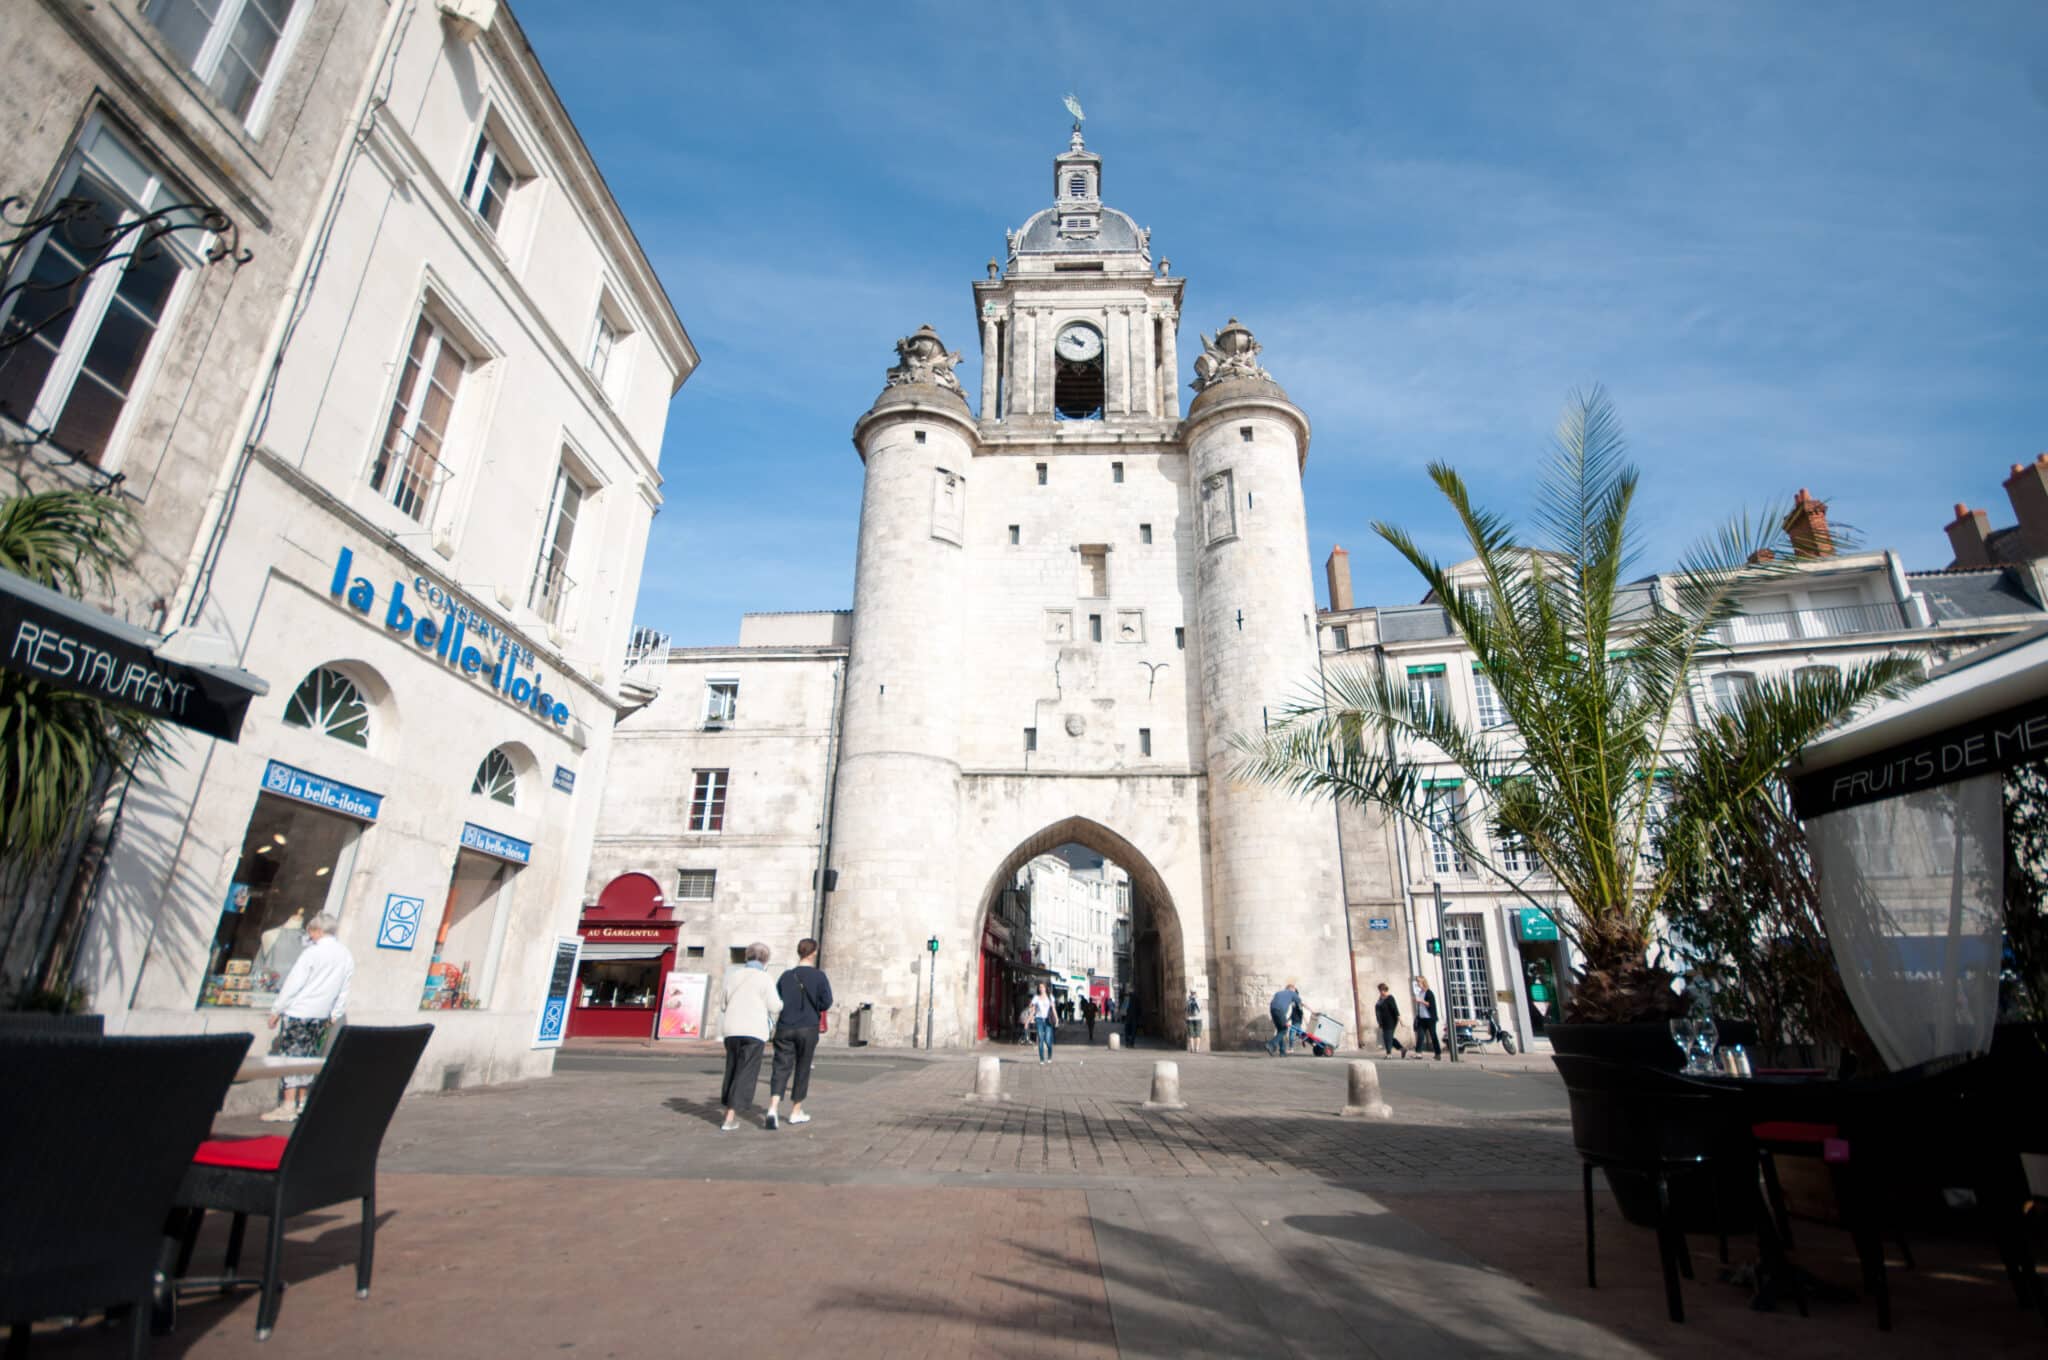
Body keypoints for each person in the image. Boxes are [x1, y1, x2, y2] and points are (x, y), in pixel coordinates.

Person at [262, 912, 353, 1122]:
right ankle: (303, 1102)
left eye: (312, 930)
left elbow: (293, 983)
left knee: (291, 1058)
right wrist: (335, 1014)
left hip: (300, 1012)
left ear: (319, 931)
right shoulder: (345, 955)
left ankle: (287, 1105)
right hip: (322, 1015)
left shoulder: (312, 953)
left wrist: (277, 1009)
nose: (310, 934)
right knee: (310, 1057)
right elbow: (344, 989)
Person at [766, 937, 831, 1130]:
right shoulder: (819, 977)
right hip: (807, 1026)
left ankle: (773, 1107)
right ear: (814, 953)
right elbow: (826, 1002)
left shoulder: (786, 976)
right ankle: (796, 1111)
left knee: (780, 1067)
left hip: (785, 1026)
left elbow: (778, 999)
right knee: (803, 1068)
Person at [719, 942, 782, 1131]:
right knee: (746, 1072)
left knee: (732, 1068)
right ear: (765, 960)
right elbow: (774, 1006)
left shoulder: (733, 976)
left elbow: (723, 1004)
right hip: (754, 1030)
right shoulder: (764, 978)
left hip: (731, 1030)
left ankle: (728, 1109)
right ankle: (729, 1117)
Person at [1375, 982, 1410, 1058]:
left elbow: (1395, 1009)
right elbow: (1378, 1010)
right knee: (1389, 1037)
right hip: (1383, 1021)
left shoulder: (1390, 998)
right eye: (1380, 990)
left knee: (1387, 1036)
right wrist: (1379, 1022)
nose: (1381, 992)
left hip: (1391, 1020)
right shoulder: (1380, 999)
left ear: (1386, 990)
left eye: (1383, 990)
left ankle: (1389, 1054)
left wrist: (1400, 1020)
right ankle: (1402, 1049)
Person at [1412, 975, 1443, 1059]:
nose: (1417, 984)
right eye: (1417, 982)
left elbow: (1430, 1004)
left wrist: (1421, 1001)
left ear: (1423, 982)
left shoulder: (1429, 992)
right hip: (1422, 1018)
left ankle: (1438, 1053)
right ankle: (1418, 1053)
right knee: (1420, 1035)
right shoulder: (1420, 993)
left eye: (1419, 982)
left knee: (1433, 1035)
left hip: (1430, 1018)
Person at [1266, 980, 1299, 1056]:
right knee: (1284, 1030)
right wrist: (1312, 1011)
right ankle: (1271, 1044)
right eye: (1294, 990)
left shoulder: (1278, 993)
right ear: (1292, 989)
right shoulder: (1292, 993)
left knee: (1280, 1030)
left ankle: (1282, 1052)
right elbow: (1300, 1002)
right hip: (1280, 1011)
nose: (1295, 992)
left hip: (1273, 1010)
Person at [1031, 981, 1056, 1064]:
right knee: (1041, 1039)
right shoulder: (1036, 997)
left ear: (1046, 988)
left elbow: (1053, 1009)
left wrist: (1057, 1018)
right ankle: (1041, 1059)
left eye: (1043, 987)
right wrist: (1029, 1020)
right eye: (1040, 987)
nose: (1041, 989)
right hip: (1039, 1020)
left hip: (1048, 1020)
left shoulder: (1050, 997)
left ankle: (1049, 1056)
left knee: (1048, 1041)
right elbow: (1033, 1010)